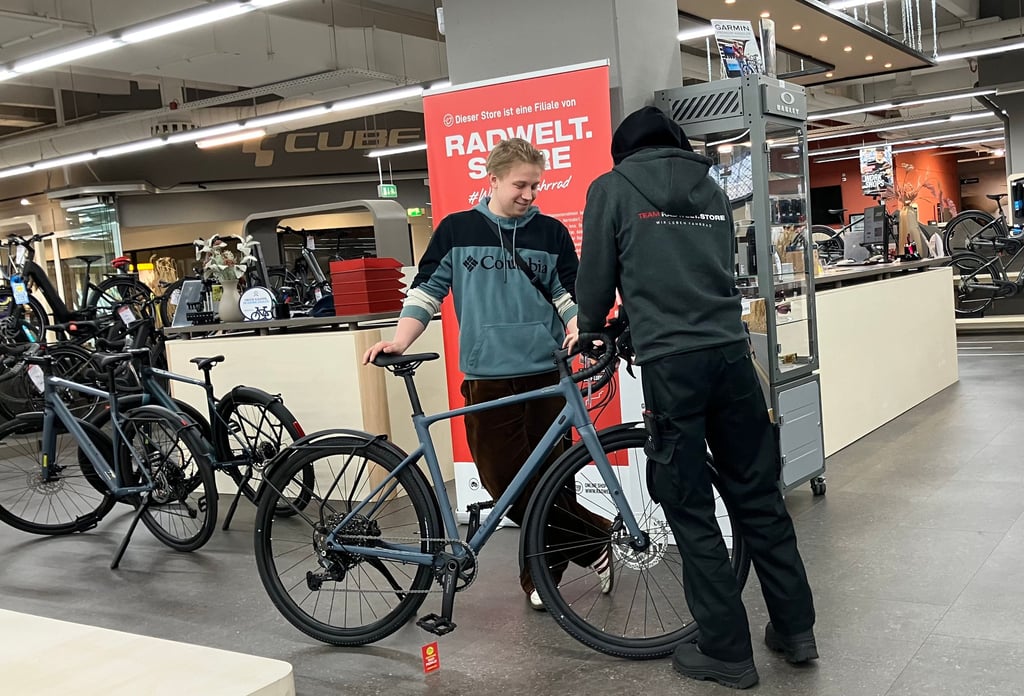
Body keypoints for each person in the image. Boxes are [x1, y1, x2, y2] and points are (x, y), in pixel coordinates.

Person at [575, 106, 817, 689]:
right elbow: (704, 267)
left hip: (672, 364)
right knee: (759, 495)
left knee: (690, 507)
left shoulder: (611, 187)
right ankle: (795, 629)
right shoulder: (710, 187)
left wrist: (592, 327)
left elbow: (598, 277)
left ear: (623, 151)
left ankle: (726, 650)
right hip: (733, 357)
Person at [362, 137, 614, 610]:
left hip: (546, 375)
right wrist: (400, 340)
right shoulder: (456, 230)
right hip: (487, 376)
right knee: (504, 485)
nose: (530, 195)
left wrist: (579, 321)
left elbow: (567, 295)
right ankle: (596, 540)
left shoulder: (552, 233)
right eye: (521, 185)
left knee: (553, 480)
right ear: (493, 179)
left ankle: (543, 574)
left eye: (535, 186)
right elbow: (427, 291)